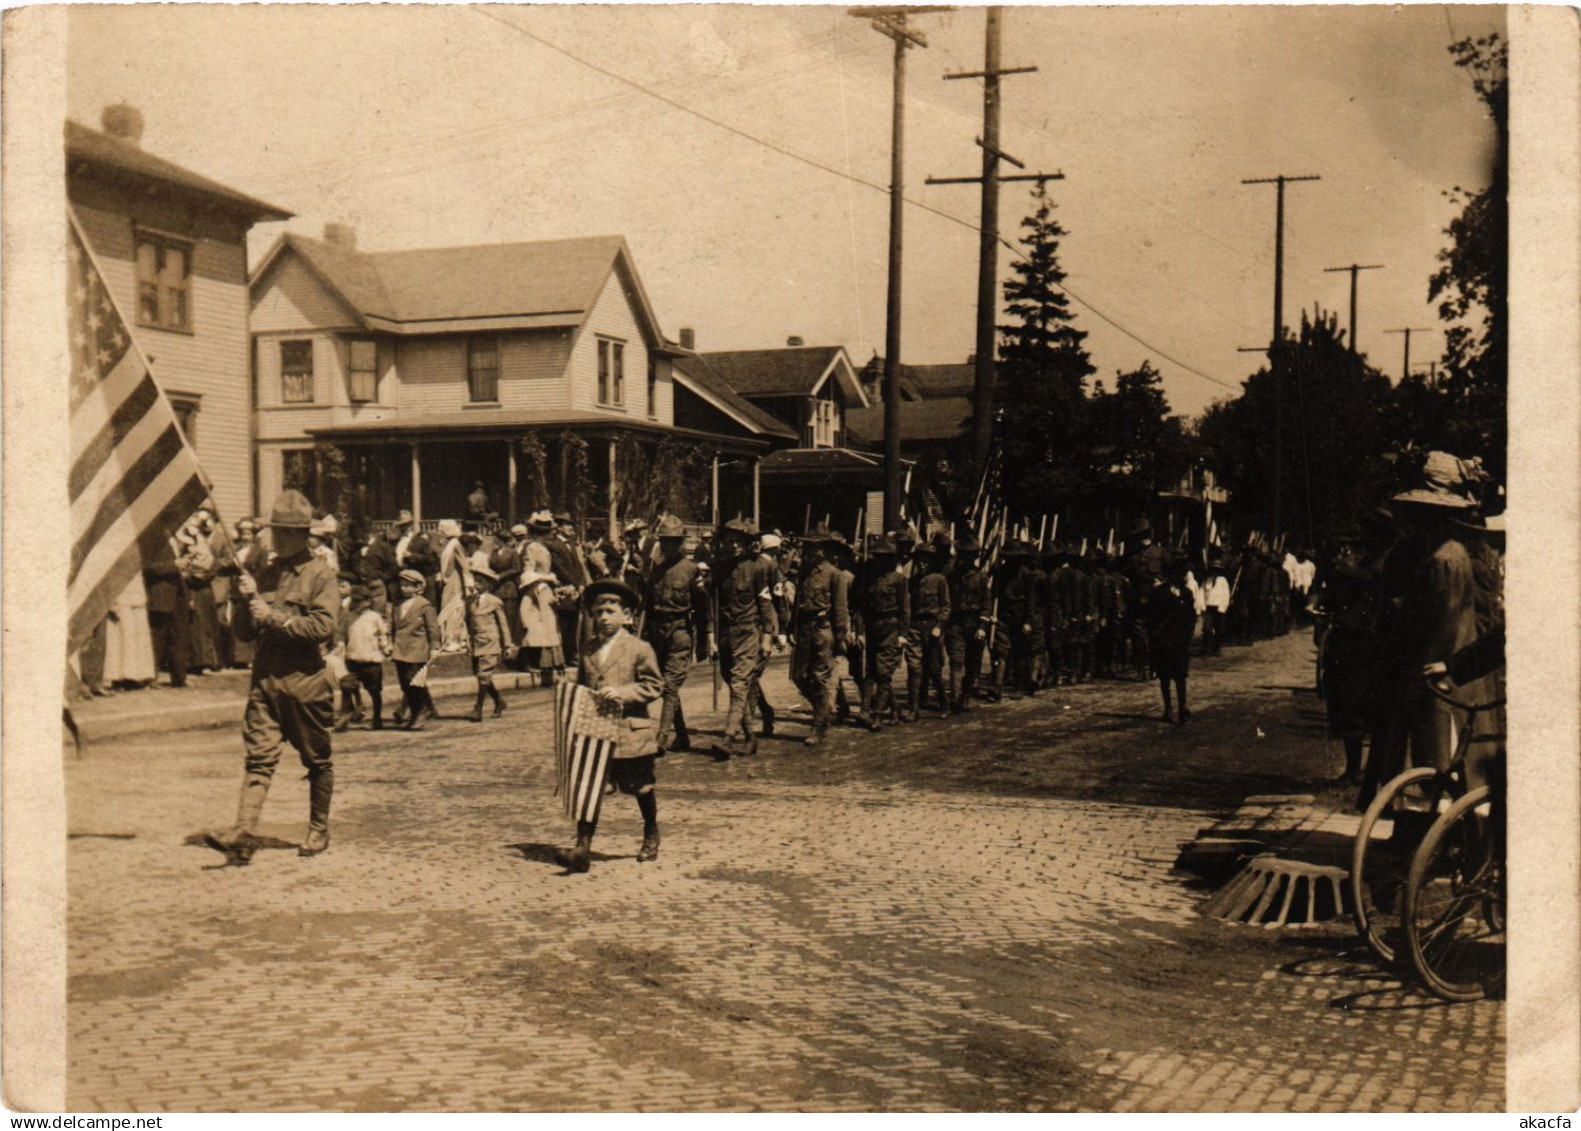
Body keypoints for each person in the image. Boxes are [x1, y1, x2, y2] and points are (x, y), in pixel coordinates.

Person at [204, 490, 340, 865]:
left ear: (301, 535)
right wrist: (242, 598)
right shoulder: (264, 573)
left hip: (305, 683)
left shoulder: (320, 575)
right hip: (265, 681)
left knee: (317, 759)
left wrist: (272, 617)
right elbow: (246, 634)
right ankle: (243, 832)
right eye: (274, 531)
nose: (274, 538)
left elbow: (324, 626)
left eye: (281, 532)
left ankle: (318, 827)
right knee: (258, 759)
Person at [554, 579, 664, 873]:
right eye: (598, 611)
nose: (603, 617)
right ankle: (582, 848)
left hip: (630, 732)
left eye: (610, 611)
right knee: (589, 788)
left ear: (626, 616)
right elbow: (582, 686)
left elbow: (654, 685)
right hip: (597, 732)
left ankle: (651, 831)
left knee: (639, 786)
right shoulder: (588, 648)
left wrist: (624, 693)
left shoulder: (639, 648)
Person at [709, 517, 777, 758]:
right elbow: (712, 607)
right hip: (726, 634)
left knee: (739, 684)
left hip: (748, 631)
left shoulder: (757, 568)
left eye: (739, 541)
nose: (734, 546)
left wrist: (767, 636)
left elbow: (765, 603)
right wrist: (711, 637)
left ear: (747, 544)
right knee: (735, 683)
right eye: (730, 541)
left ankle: (728, 738)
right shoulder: (719, 569)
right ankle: (750, 736)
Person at [643, 515, 710, 754]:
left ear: (681, 543)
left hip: (680, 632)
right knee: (665, 687)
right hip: (656, 633)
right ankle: (682, 735)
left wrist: (704, 642)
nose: (667, 546)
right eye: (664, 541)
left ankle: (661, 737)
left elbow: (703, 610)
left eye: (672, 541)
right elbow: (647, 607)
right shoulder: (656, 571)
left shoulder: (691, 571)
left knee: (670, 684)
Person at [790, 524, 849, 746]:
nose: (811, 551)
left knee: (820, 677)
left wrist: (840, 637)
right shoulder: (804, 573)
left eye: (815, 547)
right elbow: (797, 603)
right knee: (799, 676)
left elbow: (840, 609)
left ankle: (819, 726)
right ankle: (823, 710)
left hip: (824, 630)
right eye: (808, 547)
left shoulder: (835, 575)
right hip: (804, 628)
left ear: (824, 549)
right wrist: (791, 629)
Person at [861, 535, 909, 728]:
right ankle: (894, 710)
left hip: (891, 628)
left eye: (884, 556)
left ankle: (878, 714)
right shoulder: (869, 579)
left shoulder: (899, 579)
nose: (879, 560)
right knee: (871, 671)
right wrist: (860, 631)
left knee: (883, 673)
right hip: (873, 628)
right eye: (877, 556)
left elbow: (905, 608)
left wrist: (903, 634)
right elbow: (863, 607)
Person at [747, 532, 790, 737]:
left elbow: (779, 599)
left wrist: (781, 629)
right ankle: (763, 713)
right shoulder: (765, 566)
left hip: (764, 626)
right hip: (755, 625)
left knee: (751, 674)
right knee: (748, 674)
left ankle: (746, 720)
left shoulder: (770, 568)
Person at [1147, 554, 1198, 725]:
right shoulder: (1158, 593)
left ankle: (1182, 707)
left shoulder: (1187, 593)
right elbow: (1151, 618)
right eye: (1180, 574)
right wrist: (1158, 637)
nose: (1183, 577)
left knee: (1181, 676)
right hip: (1164, 641)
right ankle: (1168, 709)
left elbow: (1192, 617)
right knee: (1165, 677)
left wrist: (1187, 636)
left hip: (1181, 641)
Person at [391, 569, 441, 730]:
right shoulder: (398, 605)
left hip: (417, 649)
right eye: (402, 585)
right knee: (404, 684)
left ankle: (419, 712)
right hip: (400, 649)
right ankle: (417, 712)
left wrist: (434, 647)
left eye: (408, 585)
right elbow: (394, 627)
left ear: (418, 587)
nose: (404, 588)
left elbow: (433, 628)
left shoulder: (424, 605)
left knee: (414, 682)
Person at [908, 539, 952, 719]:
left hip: (933, 627)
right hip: (915, 627)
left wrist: (940, 625)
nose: (922, 563)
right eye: (919, 560)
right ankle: (914, 709)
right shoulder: (913, 581)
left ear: (932, 561)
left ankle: (944, 703)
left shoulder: (940, 580)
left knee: (934, 669)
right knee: (914, 668)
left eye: (926, 560)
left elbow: (946, 606)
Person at [464, 564, 514, 722]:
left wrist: (507, 645)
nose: (476, 585)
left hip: (490, 641)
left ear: (489, 585)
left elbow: (503, 624)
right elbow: (467, 622)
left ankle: (477, 709)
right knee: (480, 675)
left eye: (480, 582)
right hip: (475, 642)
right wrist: (466, 640)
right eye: (475, 581)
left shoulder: (495, 601)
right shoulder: (470, 600)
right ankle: (499, 701)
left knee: (484, 674)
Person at [944, 533, 988, 711]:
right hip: (955, 622)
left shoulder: (981, 577)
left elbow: (986, 603)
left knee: (972, 661)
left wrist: (983, 627)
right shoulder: (952, 575)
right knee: (956, 659)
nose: (964, 559)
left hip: (974, 623)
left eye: (968, 556)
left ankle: (966, 695)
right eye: (962, 555)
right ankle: (955, 695)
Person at [342, 583, 391, 730]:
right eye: (354, 601)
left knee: (374, 691)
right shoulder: (348, 617)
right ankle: (349, 713)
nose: (356, 604)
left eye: (359, 601)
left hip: (371, 660)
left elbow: (382, 634)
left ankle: (377, 717)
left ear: (367, 602)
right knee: (347, 687)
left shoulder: (374, 617)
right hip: (352, 659)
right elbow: (345, 636)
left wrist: (385, 647)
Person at [435, 519, 473, 653]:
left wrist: (469, 583)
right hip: (448, 581)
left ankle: (455, 640)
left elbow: (464, 564)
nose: (440, 531)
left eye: (442, 529)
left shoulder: (455, 544)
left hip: (455, 581)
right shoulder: (449, 544)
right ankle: (452, 639)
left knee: (455, 609)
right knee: (449, 608)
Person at [492, 525, 526, 661]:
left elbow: (516, 569)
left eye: (496, 539)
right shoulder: (494, 553)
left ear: (501, 540)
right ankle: (501, 645)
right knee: (499, 619)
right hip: (497, 589)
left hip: (509, 588)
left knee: (510, 618)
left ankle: (512, 647)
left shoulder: (512, 552)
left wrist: (501, 576)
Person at [1201, 556, 1231, 657]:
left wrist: (1223, 608)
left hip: (1218, 608)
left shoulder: (1222, 581)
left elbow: (1226, 595)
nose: (1214, 572)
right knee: (1207, 628)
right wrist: (1202, 606)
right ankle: (1207, 648)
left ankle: (1216, 648)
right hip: (1208, 607)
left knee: (1218, 629)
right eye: (1213, 569)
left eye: (1216, 570)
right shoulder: (1206, 581)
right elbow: (1201, 593)